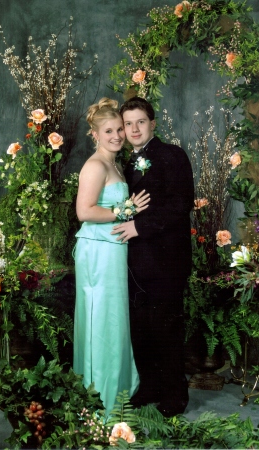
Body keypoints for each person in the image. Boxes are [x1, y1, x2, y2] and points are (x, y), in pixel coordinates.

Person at [111, 96, 194, 417]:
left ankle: (176, 394)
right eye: (128, 123)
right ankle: (150, 386)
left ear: (153, 124)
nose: (133, 129)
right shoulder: (125, 161)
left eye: (140, 122)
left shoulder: (172, 156)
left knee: (166, 327)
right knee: (140, 328)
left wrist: (138, 228)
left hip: (166, 261)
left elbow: (179, 204)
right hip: (133, 263)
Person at [73, 97, 150, 415]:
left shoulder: (113, 164)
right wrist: (125, 209)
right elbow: (83, 211)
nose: (118, 135)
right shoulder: (94, 165)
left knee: (114, 321)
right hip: (99, 253)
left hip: (113, 251)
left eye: (120, 129)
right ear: (95, 134)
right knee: (101, 322)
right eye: (110, 131)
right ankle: (100, 400)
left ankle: (115, 393)